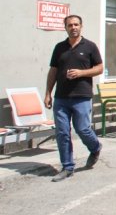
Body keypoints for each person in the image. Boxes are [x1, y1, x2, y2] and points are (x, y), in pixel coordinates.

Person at [44, 15, 103, 182]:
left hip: (82, 97)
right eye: (70, 25)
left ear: (81, 26)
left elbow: (99, 68)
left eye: (76, 24)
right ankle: (67, 167)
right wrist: (48, 93)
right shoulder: (59, 48)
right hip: (61, 98)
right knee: (62, 132)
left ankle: (95, 147)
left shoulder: (90, 46)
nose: (73, 27)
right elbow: (53, 71)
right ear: (65, 27)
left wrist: (81, 73)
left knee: (83, 129)